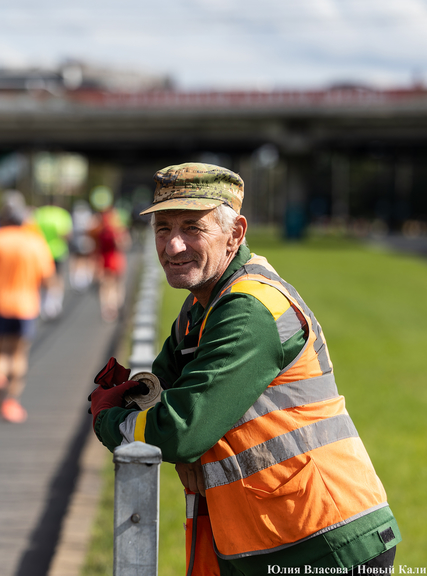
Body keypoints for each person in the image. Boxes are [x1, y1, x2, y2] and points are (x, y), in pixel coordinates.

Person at [89, 163, 401, 575]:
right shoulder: (200, 308)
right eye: (163, 229)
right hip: (277, 535)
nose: (173, 245)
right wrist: (146, 403)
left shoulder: (248, 309)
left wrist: (110, 422)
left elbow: (181, 429)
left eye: (192, 228)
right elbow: (163, 389)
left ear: (235, 233)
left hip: (327, 539)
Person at [0, 192, 56, 423]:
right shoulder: (34, 241)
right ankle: (10, 402)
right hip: (25, 305)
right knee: (18, 354)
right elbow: (47, 276)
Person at [32, 202, 73, 319]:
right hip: (57, 251)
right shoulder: (62, 214)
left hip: (41, 251)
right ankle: (55, 304)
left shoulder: (39, 214)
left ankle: (44, 305)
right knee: (58, 278)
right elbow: (67, 234)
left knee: (42, 279)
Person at [91, 203, 130, 322]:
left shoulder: (116, 227)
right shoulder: (99, 228)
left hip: (115, 258)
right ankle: (109, 308)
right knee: (107, 285)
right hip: (105, 259)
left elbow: (124, 244)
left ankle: (113, 306)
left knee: (114, 285)